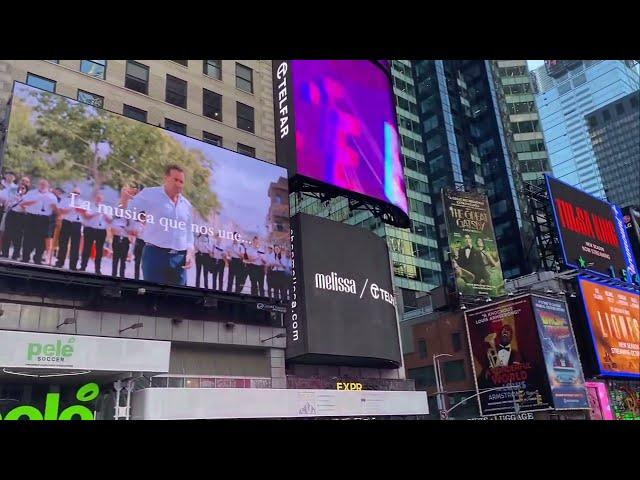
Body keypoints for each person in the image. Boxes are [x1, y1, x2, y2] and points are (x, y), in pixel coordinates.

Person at [121, 165, 194, 286]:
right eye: (175, 179)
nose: (178, 184)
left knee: (179, 299)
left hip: (179, 259)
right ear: (166, 178)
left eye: (181, 181)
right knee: (153, 296)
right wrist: (123, 200)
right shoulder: (150, 194)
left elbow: (189, 233)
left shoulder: (186, 205)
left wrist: (190, 253)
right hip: (155, 254)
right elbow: (128, 212)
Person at [19, 179, 58, 265]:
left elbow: (55, 210)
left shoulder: (51, 196)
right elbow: (22, 204)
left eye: (44, 184)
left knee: (40, 240)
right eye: (41, 184)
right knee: (28, 237)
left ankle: (38, 258)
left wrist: (55, 209)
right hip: (31, 217)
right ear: (38, 185)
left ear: (48, 186)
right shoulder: (31, 193)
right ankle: (25, 257)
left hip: (44, 219)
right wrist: (32, 202)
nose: (43, 186)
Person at [80, 193, 111, 275]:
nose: (99, 200)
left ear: (102, 200)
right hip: (90, 229)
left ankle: (97, 269)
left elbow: (110, 220)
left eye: (100, 199)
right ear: (95, 199)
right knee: (87, 248)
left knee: (99, 250)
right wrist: (96, 212)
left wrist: (103, 213)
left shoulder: (106, 208)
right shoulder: (90, 206)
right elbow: (87, 216)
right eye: (97, 198)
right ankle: (83, 266)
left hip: (101, 230)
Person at [55, 188, 85, 270]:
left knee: (75, 245)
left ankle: (73, 265)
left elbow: (85, 214)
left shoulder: (82, 202)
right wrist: (71, 208)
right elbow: (60, 211)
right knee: (63, 243)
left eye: (78, 193)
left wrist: (80, 209)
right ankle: (60, 262)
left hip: (76, 223)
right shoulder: (65, 200)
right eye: (75, 192)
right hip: (66, 222)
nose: (76, 195)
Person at [1, 177, 30, 260]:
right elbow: (6, 201)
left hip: (21, 216)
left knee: (18, 236)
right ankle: (5, 253)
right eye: (20, 187)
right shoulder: (13, 193)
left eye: (23, 188)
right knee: (7, 234)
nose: (21, 189)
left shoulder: (29, 196)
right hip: (11, 214)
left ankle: (15, 254)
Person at [110, 213, 131, 278]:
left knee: (123, 259)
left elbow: (132, 231)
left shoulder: (130, 220)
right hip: (117, 238)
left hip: (125, 240)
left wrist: (125, 228)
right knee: (115, 258)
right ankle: (114, 274)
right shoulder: (116, 218)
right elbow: (112, 229)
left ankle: (122, 275)